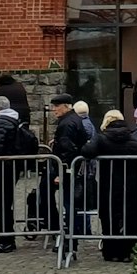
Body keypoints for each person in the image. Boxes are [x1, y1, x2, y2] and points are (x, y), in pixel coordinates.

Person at [85, 108, 137, 261]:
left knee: (109, 216)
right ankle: (126, 252)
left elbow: (87, 151)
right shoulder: (133, 138)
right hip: (130, 185)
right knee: (129, 217)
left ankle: (110, 251)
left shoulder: (102, 138)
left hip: (109, 184)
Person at [0, 97, 35, 253]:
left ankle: (6, 239)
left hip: (3, 167)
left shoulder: (0, 122)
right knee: (4, 203)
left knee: (0, 204)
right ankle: (7, 237)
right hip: (12, 166)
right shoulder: (14, 119)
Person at [49, 94, 92, 256]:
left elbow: (67, 150)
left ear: (66, 106)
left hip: (68, 170)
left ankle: (70, 241)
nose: (54, 110)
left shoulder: (67, 123)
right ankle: (70, 240)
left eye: (57, 106)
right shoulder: (74, 119)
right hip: (72, 168)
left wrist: (62, 171)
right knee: (71, 205)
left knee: (69, 205)